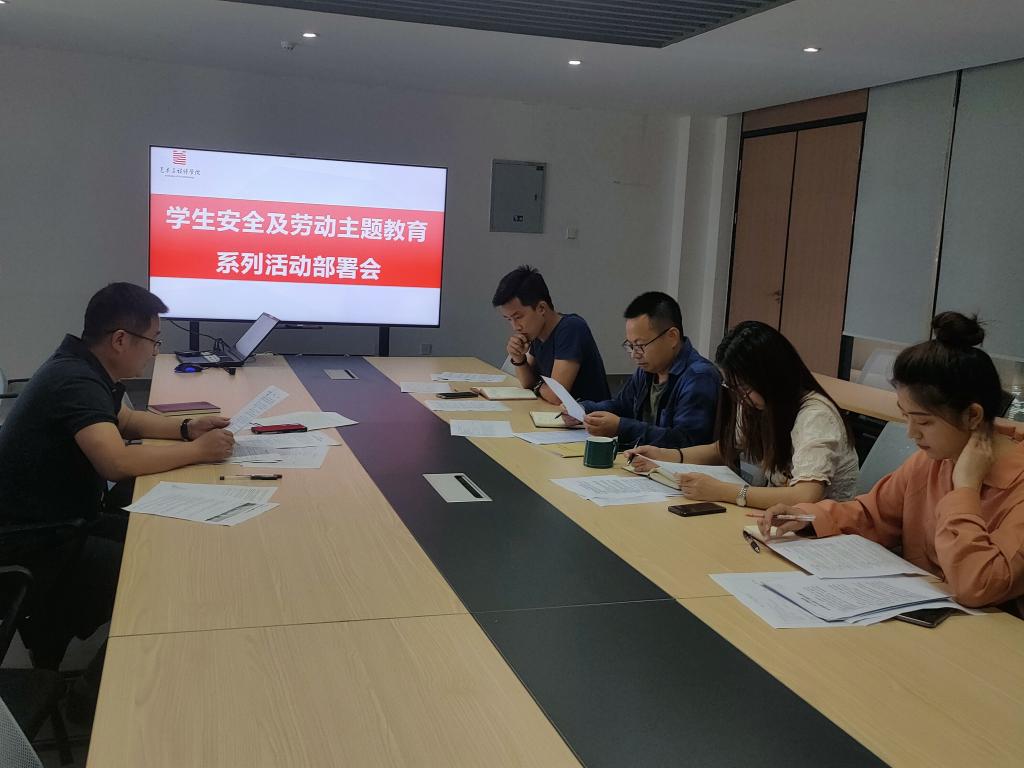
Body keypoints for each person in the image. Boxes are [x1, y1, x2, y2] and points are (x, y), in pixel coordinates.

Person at [0, 282, 234, 717]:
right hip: (37, 542)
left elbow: (125, 421)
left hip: (64, 519)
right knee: (165, 581)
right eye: (153, 341)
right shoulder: (74, 380)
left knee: (168, 541)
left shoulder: (82, 365)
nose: (155, 351)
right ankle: (90, 698)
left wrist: (187, 429)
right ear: (121, 339)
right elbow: (115, 462)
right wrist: (200, 452)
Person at [758, 312, 1024, 611]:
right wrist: (806, 517)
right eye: (905, 416)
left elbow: (978, 585)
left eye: (924, 421)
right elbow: (872, 514)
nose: (911, 433)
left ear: (972, 415)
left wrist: (965, 490)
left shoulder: (1016, 485)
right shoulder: (932, 461)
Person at [628, 320, 858, 508]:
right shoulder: (757, 403)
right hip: (779, 521)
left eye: (744, 387)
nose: (739, 397)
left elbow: (806, 496)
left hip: (820, 532)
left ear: (771, 379)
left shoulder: (816, 416)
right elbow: (724, 449)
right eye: (733, 387)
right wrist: (663, 455)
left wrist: (723, 491)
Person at [573, 292, 720, 448]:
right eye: (631, 346)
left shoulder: (699, 377)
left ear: (672, 337)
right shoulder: (648, 370)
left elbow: (685, 442)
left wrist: (621, 428)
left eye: (640, 345)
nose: (634, 354)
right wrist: (583, 410)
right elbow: (622, 406)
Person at [492, 265, 610, 403]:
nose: (515, 327)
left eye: (518, 317)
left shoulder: (571, 328)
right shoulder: (536, 332)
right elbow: (526, 383)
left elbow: (557, 396)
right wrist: (519, 359)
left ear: (541, 308)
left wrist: (536, 385)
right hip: (556, 413)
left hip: (589, 415)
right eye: (508, 319)